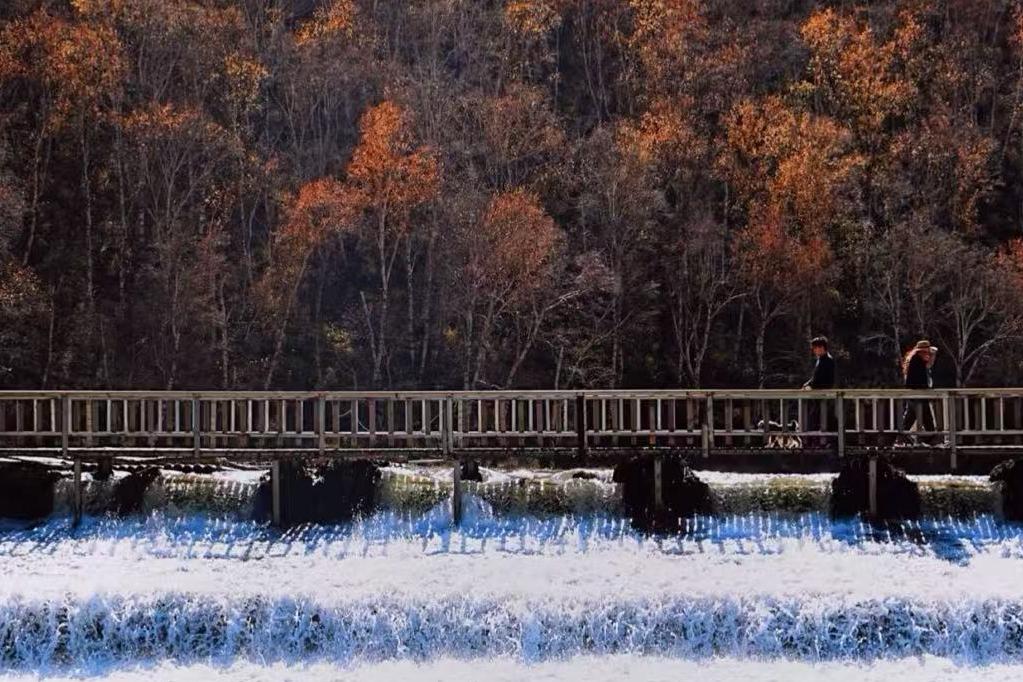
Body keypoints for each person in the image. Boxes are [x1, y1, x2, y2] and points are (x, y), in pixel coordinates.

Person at [901, 339, 938, 443]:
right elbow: (927, 366)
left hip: (915, 394)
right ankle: (929, 438)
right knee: (926, 418)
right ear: (921, 351)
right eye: (927, 352)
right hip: (918, 394)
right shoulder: (917, 360)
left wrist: (933, 355)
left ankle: (901, 437)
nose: (928, 355)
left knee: (910, 418)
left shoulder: (916, 359)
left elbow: (929, 364)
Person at [802, 336, 835, 447]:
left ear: (822, 348)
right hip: (818, 396)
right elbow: (815, 377)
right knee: (815, 419)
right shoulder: (821, 360)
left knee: (819, 419)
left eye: (816, 348)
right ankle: (814, 442)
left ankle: (818, 443)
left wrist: (810, 386)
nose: (815, 350)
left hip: (822, 395)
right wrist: (807, 384)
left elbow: (823, 379)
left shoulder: (827, 361)